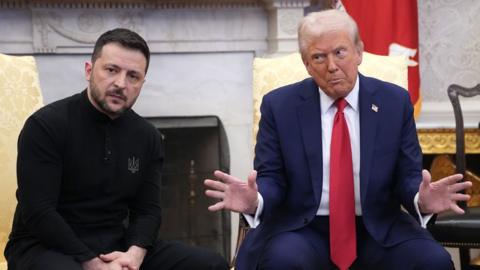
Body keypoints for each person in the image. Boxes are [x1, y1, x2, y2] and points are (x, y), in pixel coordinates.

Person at [204, 9, 471, 270]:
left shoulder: (394, 102)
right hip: (302, 227)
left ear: (359, 52)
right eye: (319, 57)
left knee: (432, 261)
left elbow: (407, 176)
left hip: (378, 226)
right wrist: (256, 200)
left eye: (340, 52)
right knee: (281, 262)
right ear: (307, 64)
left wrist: (420, 199)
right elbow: (272, 178)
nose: (331, 66)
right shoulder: (279, 106)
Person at [4, 28, 229, 270]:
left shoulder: (147, 137)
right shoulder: (46, 125)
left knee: (211, 265)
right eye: (111, 70)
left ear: (142, 82)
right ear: (89, 70)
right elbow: (39, 213)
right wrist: (93, 264)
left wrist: (134, 255)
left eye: (133, 76)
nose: (121, 83)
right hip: (44, 247)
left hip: (115, 244)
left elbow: (148, 211)